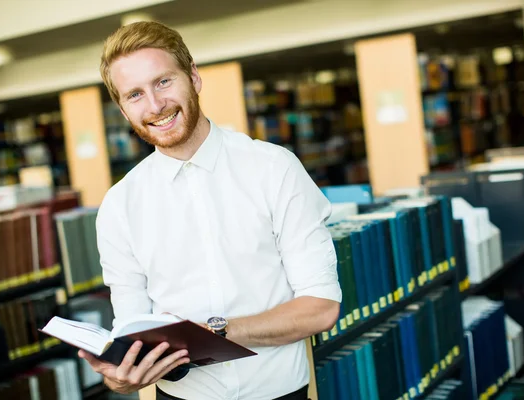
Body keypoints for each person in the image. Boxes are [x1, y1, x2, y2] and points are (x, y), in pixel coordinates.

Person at [79, 21, 342, 400]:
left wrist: (216, 331)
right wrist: (119, 376)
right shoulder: (119, 206)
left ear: (193, 77)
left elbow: (320, 309)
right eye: (134, 94)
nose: (155, 105)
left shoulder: (273, 168)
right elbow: (132, 332)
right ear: (122, 109)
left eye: (163, 82)